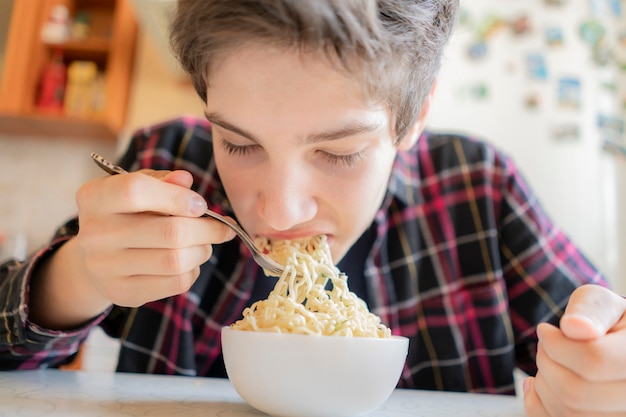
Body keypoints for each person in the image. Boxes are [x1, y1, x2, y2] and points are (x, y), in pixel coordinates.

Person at [1, 1, 625, 415]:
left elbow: (595, 334)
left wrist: (604, 364)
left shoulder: (479, 189)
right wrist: (76, 275)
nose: (278, 211)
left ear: (415, 118)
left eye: (339, 151)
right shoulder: (164, 163)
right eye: (239, 142)